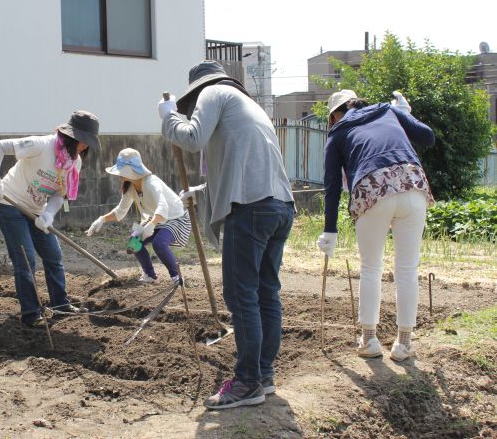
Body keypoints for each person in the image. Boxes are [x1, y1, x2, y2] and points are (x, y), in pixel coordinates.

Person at [159, 60, 295, 410]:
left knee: (241, 295)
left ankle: (247, 382)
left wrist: (169, 116)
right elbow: (242, 162)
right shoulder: (249, 106)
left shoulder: (214, 93)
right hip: (279, 206)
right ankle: (263, 375)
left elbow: (191, 138)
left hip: (250, 208)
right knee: (266, 292)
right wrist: (200, 191)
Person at [317, 90, 435, 362]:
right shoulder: (387, 110)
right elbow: (428, 137)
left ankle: (369, 339)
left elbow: (332, 186)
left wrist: (330, 230)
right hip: (412, 184)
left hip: (372, 189)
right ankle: (404, 344)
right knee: (407, 268)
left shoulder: (337, 133)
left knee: (371, 267)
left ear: (334, 115)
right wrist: (404, 114)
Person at [0, 110, 100, 328]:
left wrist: (48, 214)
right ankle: (31, 313)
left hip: (36, 209)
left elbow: (59, 194)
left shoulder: (73, 163)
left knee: (53, 255)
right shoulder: (41, 145)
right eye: (83, 141)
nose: (85, 147)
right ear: (71, 137)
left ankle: (60, 304)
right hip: (9, 204)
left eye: (88, 143)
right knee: (26, 259)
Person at [85, 148, 190, 284]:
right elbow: (120, 210)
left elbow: (163, 206)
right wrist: (102, 219)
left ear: (131, 171)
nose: (120, 175)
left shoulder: (152, 183)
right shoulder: (130, 187)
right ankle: (149, 275)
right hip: (153, 219)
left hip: (175, 218)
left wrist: (151, 225)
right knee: (133, 243)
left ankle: (177, 277)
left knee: (159, 243)